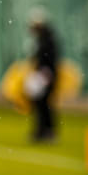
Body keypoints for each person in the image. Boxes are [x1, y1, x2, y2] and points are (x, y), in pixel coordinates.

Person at [24, 8, 60, 143]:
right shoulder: (44, 38)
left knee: (44, 103)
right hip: (43, 74)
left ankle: (47, 131)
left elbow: (49, 57)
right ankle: (42, 131)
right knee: (41, 104)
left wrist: (46, 71)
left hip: (45, 75)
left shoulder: (47, 39)